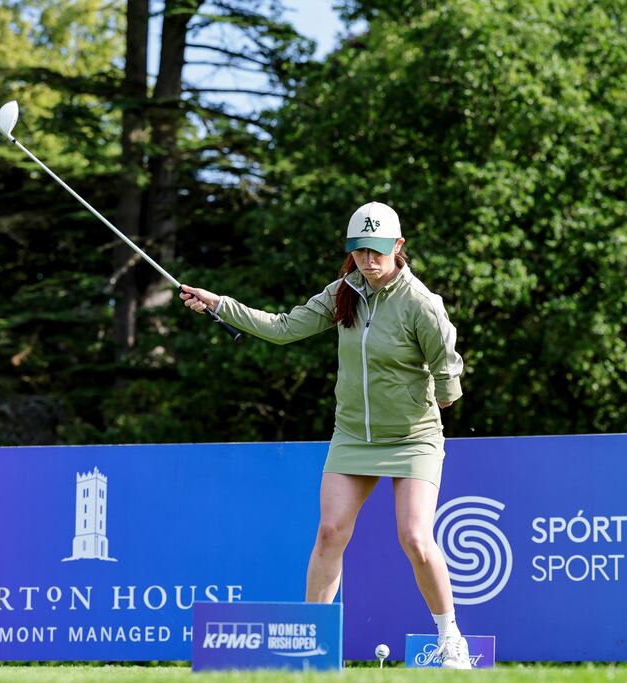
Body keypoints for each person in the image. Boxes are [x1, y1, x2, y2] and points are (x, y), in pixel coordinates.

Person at [180, 201, 471, 669]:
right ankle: (311, 646)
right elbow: (281, 328)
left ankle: (450, 639)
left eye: (377, 252)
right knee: (331, 532)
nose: (368, 262)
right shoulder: (343, 293)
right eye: (359, 252)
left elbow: (447, 362)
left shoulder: (421, 303)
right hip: (353, 434)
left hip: (414, 437)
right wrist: (220, 305)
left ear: (398, 248)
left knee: (416, 537)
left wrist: (444, 392)